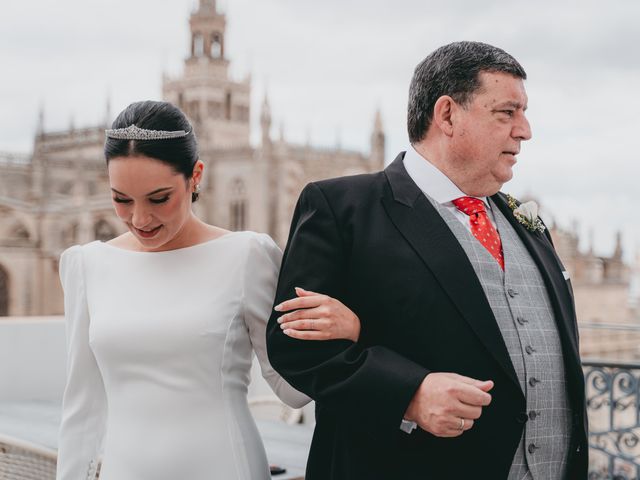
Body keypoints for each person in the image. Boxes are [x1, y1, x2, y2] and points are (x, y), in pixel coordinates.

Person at [267, 41, 588, 479]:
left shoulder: (525, 221)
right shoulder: (342, 208)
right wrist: (409, 394)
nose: (525, 130)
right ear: (448, 115)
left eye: (524, 112)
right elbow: (295, 351)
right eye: (506, 113)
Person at [55, 100, 361, 480]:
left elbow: (292, 391)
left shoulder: (248, 256)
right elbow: (81, 409)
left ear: (195, 176)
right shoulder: (85, 265)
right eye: (121, 200)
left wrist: (346, 332)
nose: (140, 218)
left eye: (159, 198)